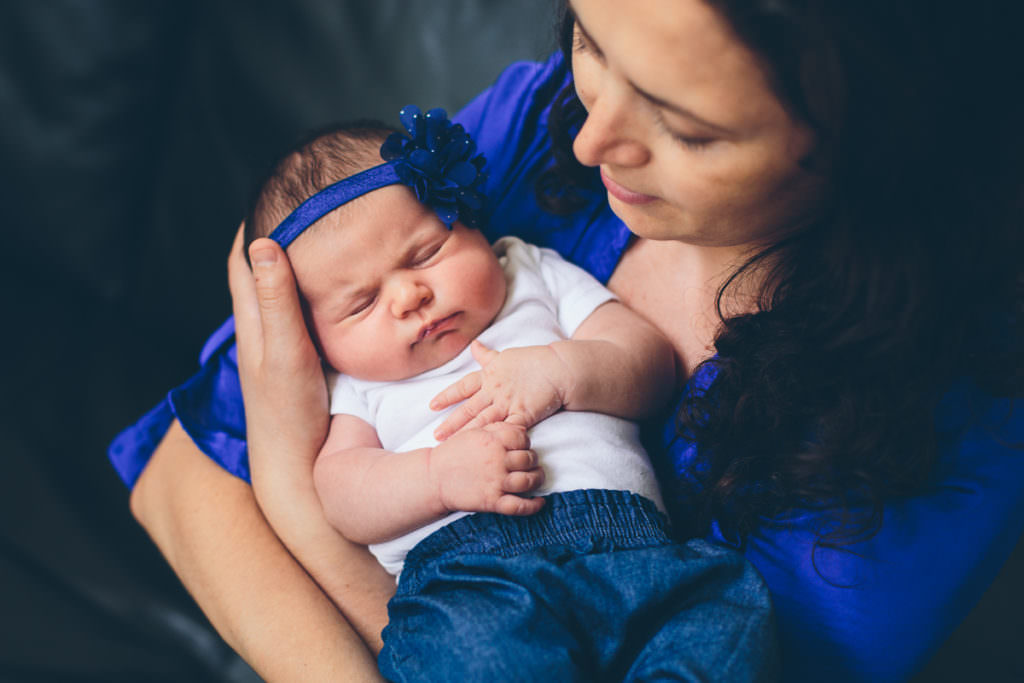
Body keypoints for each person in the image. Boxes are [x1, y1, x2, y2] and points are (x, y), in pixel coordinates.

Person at [113, 0, 1024, 680]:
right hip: (465, 597)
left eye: (686, 127)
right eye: (590, 37)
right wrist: (312, 479)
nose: (590, 140)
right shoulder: (522, 134)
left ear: (876, 132)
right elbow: (180, 480)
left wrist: (282, 476)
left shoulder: (936, 418)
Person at [233, 116, 775, 679]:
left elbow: (650, 362)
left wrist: (563, 372)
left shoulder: (529, 273)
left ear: (472, 225)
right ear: (317, 338)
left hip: (637, 550)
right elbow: (342, 493)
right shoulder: (358, 384)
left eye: (425, 254)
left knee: (727, 614)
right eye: (361, 303)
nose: (409, 296)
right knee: (477, 659)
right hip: (468, 583)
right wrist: (436, 478)